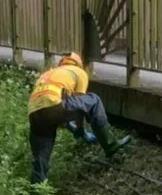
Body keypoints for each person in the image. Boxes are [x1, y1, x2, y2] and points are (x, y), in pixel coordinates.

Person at [28, 52, 131, 185]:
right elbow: (80, 107)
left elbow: (52, 113)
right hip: (55, 105)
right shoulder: (78, 72)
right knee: (94, 100)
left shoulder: (49, 74)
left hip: (34, 113)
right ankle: (110, 145)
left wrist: (73, 128)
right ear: (78, 64)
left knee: (40, 156)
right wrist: (81, 129)